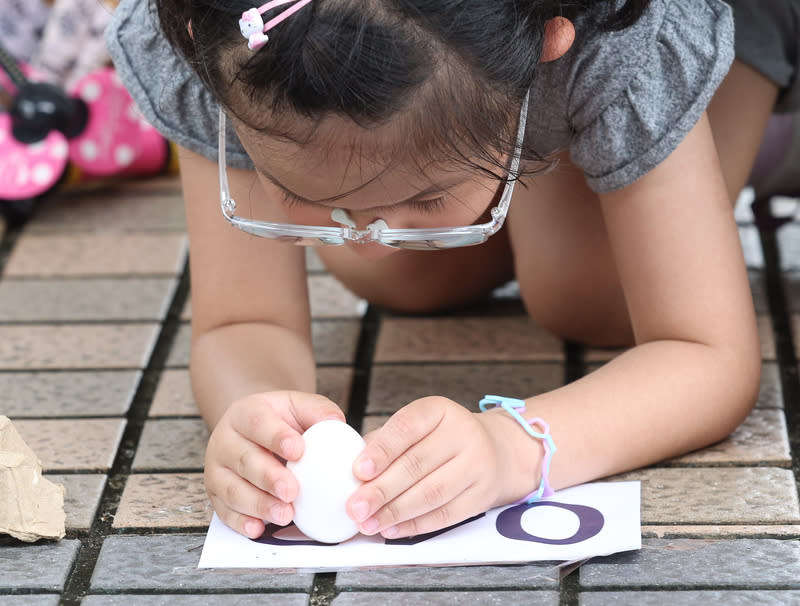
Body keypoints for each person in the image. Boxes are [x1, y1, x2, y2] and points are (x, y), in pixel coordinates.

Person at [106, 0, 797, 541]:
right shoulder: (233, 40)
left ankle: (673, 125)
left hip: (710, 21)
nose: (367, 239)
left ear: (547, 46)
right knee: (401, 279)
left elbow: (707, 354)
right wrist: (256, 422)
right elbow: (244, 320)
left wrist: (510, 450)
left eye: (426, 197)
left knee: (585, 295)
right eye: (318, 199)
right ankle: (484, 173)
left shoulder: (623, 34)